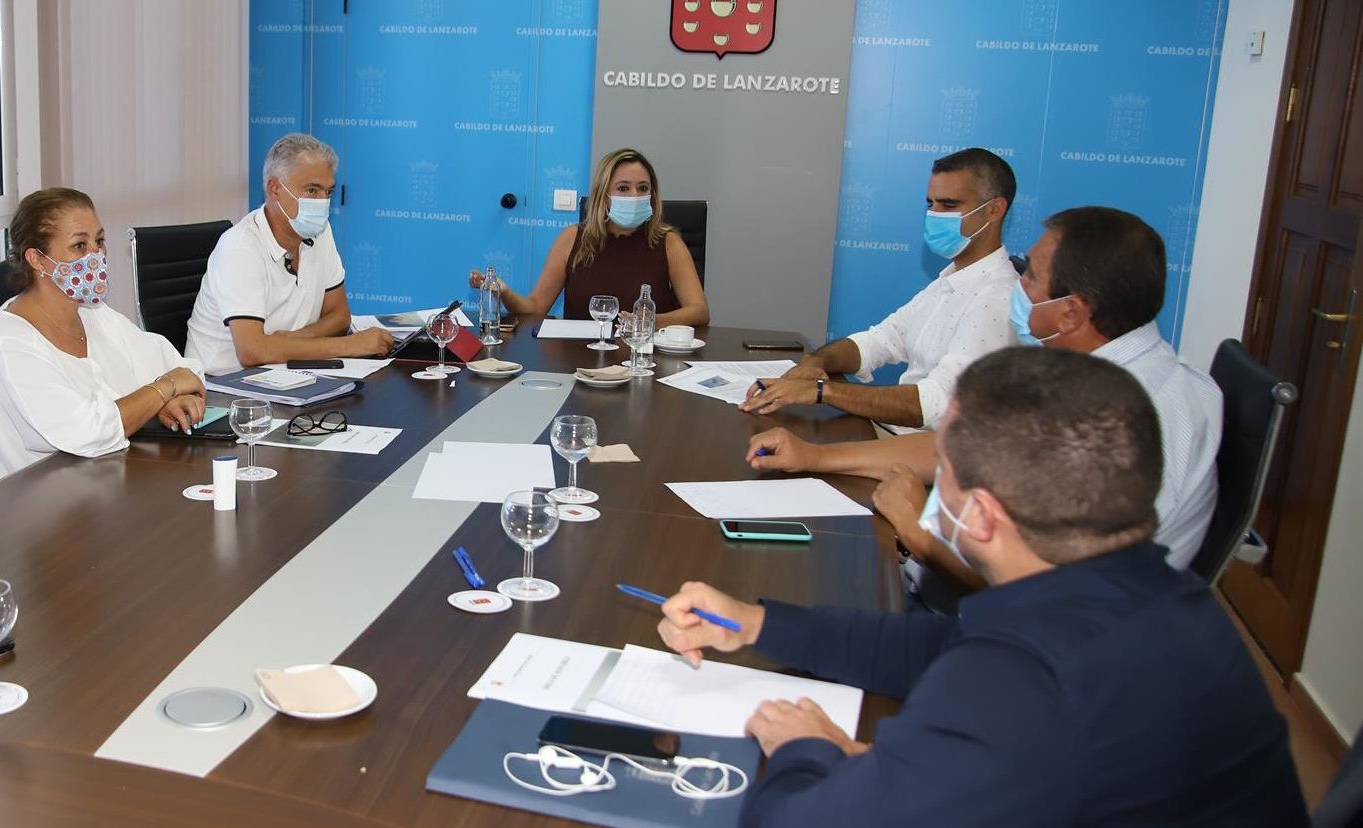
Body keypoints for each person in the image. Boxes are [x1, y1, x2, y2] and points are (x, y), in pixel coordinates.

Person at [660, 348, 1313, 828]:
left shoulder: (1030, 685)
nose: (925, 478)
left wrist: (807, 749)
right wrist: (758, 620)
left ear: (979, 516)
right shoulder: (1150, 592)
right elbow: (939, 647)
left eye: (938, 465)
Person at [749, 207, 1221, 586]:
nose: (1016, 286)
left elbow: (1047, 594)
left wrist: (916, 533)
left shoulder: (1136, 423)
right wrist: (815, 456)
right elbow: (958, 445)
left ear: (1071, 313)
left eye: (1029, 277)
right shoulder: (1093, 372)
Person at [740, 148, 1017, 431]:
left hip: (927, 458)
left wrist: (822, 391)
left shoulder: (996, 298)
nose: (934, 215)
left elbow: (937, 404)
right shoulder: (949, 281)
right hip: (896, 437)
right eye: (930, 204)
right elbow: (878, 341)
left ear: (994, 209)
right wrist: (815, 362)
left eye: (948, 205)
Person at [0, 188, 207, 483]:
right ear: (37, 260)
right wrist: (163, 389)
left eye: (99, 241)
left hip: (107, 485)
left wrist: (170, 398)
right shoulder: (7, 345)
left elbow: (182, 368)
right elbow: (87, 433)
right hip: (36, 513)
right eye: (79, 245)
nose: (97, 255)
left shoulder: (93, 313)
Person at [185, 133, 393, 374]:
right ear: (274, 188)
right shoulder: (240, 246)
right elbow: (252, 351)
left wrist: (296, 339)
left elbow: (339, 315)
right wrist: (349, 345)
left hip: (284, 373)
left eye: (328, 192)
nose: (322, 202)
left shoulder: (320, 231)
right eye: (312, 190)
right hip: (223, 385)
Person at [468, 148, 709, 326]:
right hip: (580, 363)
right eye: (623, 188)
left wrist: (650, 322)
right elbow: (535, 309)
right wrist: (505, 292)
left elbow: (699, 311)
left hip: (644, 360)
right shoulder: (573, 238)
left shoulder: (668, 242)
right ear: (604, 197)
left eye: (643, 188)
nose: (634, 195)